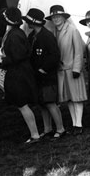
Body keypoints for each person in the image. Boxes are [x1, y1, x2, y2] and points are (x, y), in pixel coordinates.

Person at [23, 8, 66, 139]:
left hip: (47, 76)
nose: (27, 24)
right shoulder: (32, 36)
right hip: (37, 76)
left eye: (29, 21)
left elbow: (55, 55)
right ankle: (48, 129)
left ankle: (60, 128)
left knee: (50, 102)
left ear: (34, 22)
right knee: (42, 103)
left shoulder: (47, 36)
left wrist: (43, 69)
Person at [0, 7, 39, 144]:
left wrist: (3, 62)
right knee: (22, 104)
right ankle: (35, 133)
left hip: (19, 73)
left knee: (22, 104)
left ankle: (35, 135)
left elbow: (18, 56)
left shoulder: (14, 35)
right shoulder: (16, 32)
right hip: (19, 72)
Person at [46, 5, 88, 135]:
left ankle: (79, 124)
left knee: (77, 98)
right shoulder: (53, 32)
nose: (56, 19)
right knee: (68, 98)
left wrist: (77, 68)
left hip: (72, 69)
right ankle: (74, 122)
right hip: (61, 71)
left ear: (64, 17)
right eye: (54, 17)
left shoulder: (72, 30)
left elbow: (79, 51)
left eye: (59, 16)